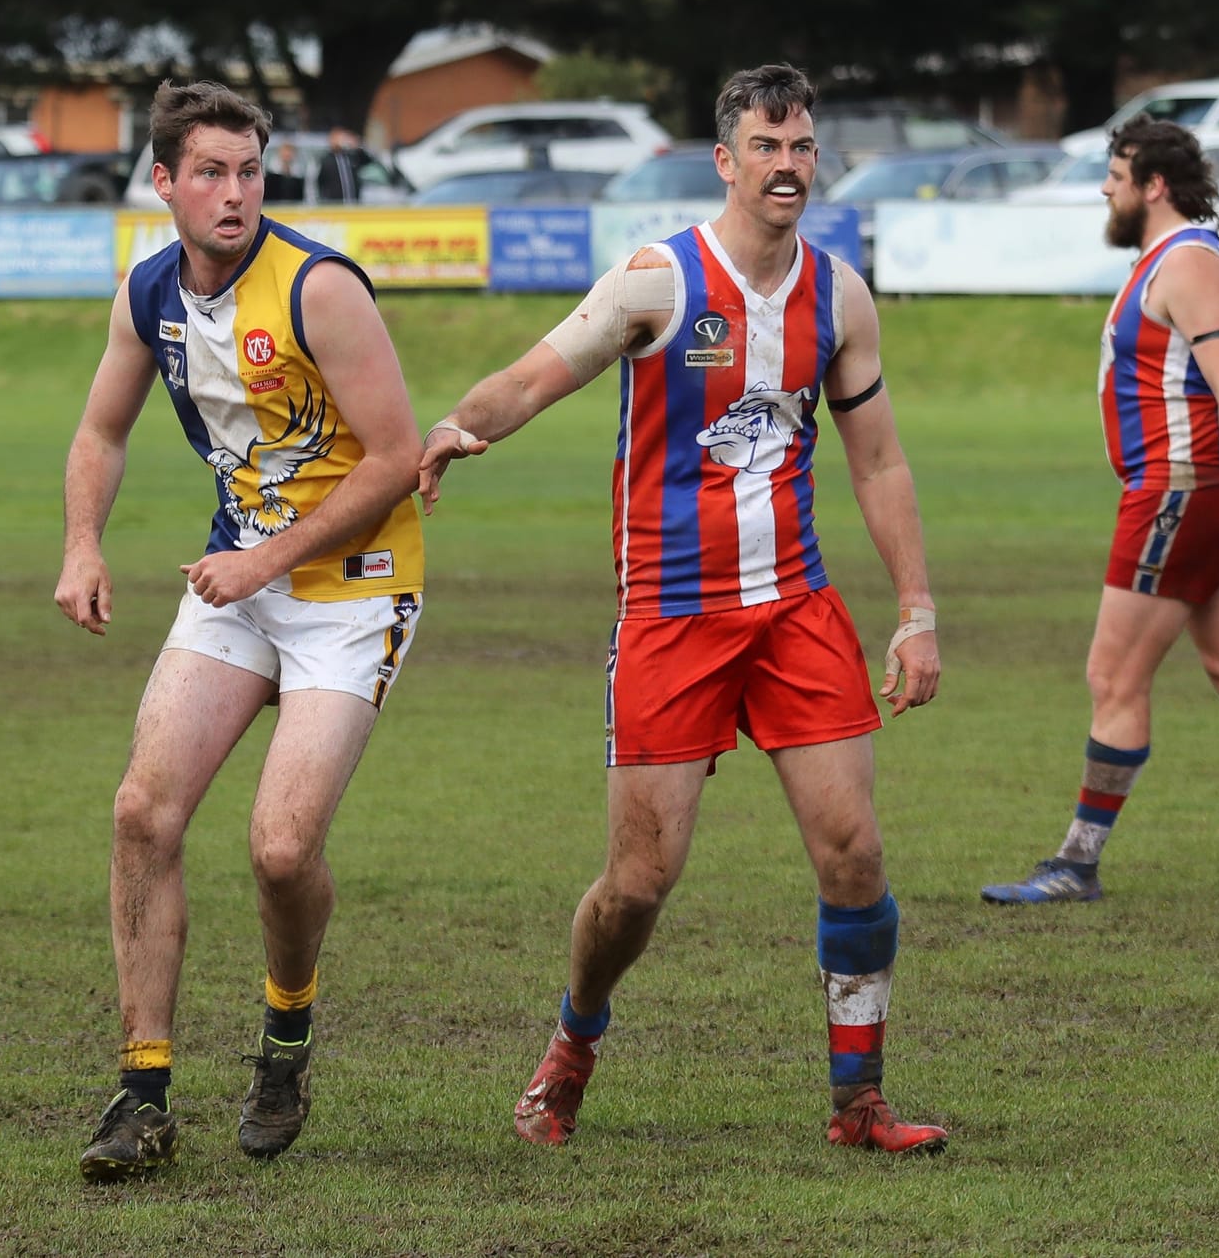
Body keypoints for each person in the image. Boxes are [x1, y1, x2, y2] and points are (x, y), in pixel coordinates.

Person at [418, 64, 948, 1155]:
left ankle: (858, 1103)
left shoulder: (839, 296)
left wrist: (915, 607)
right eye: (766, 146)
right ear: (725, 160)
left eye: (801, 146)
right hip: (669, 614)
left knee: (853, 852)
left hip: (795, 606)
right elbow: (532, 375)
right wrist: (456, 427)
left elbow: (880, 462)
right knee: (639, 882)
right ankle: (571, 1041)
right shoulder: (658, 282)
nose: (787, 166)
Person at [57, 80, 424, 1182]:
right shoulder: (149, 293)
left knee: (278, 847)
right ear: (161, 181)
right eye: (209, 171)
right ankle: (142, 1088)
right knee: (141, 811)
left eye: (249, 169)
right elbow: (99, 428)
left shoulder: (318, 288)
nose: (233, 192)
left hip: (353, 589)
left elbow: (397, 453)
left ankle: (285, 1037)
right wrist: (83, 542)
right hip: (241, 584)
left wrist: (265, 557)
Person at [980, 115, 1219, 907]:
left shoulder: (1186, 263)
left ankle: (1076, 862)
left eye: (1116, 176)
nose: (1105, 190)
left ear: (1154, 185)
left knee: (1112, 674)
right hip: (1187, 490)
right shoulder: (1169, 259)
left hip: (1179, 490)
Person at [314, 125, 369, 202]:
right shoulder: (325, 160)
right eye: (337, 138)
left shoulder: (352, 157)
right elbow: (318, 183)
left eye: (342, 137)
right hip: (335, 206)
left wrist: (357, 147)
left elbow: (368, 162)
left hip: (353, 203)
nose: (340, 140)